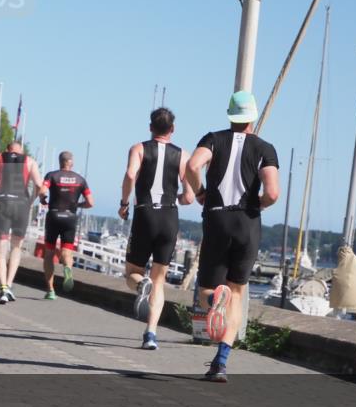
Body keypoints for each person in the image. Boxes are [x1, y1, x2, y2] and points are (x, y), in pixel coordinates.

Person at [184, 91, 280, 382]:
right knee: (237, 292)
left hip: (217, 217)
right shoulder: (265, 148)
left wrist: (200, 192)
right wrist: (259, 203)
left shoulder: (213, 139)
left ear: (230, 115)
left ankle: (215, 304)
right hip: (247, 223)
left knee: (205, 290)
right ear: (252, 116)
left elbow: (191, 165)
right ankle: (221, 362)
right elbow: (273, 193)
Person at [119, 108, 195, 350]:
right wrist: (180, 198)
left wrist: (123, 202)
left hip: (145, 213)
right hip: (169, 217)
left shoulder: (139, 149)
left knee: (132, 272)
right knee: (159, 280)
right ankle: (151, 334)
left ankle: (141, 285)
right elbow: (190, 197)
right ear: (172, 129)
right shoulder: (183, 155)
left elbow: (131, 174)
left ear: (150, 127)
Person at [0, 140, 44, 304]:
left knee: (1, 250)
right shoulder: (30, 161)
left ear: (7, 149)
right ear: (21, 151)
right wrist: (31, 200)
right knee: (17, 247)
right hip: (21, 204)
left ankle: (3, 288)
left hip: (3, 203)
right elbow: (39, 185)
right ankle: (9, 285)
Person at [39, 151, 94, 300]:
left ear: (60, 161)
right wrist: (78, 204)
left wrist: (43, 199)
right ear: (71, 162)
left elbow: (43, 190)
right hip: (70, 216)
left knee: (49, 254)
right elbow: (90, 202)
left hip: (54, 215)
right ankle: (68, 268)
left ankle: (50, 290)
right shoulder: (80, 179)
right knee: (67, 252)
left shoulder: (51, 175)